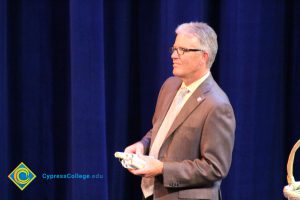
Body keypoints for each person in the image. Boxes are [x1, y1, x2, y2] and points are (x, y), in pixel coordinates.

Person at [124, 21, 236, 200]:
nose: (174, 56)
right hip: (153, 193)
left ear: (203, 56)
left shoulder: (217, 105)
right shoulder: (170, 85)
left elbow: (215, 168)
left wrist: (162, 168)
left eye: (182, 50)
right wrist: (142, 144)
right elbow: (159, 129)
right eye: (174, 49)